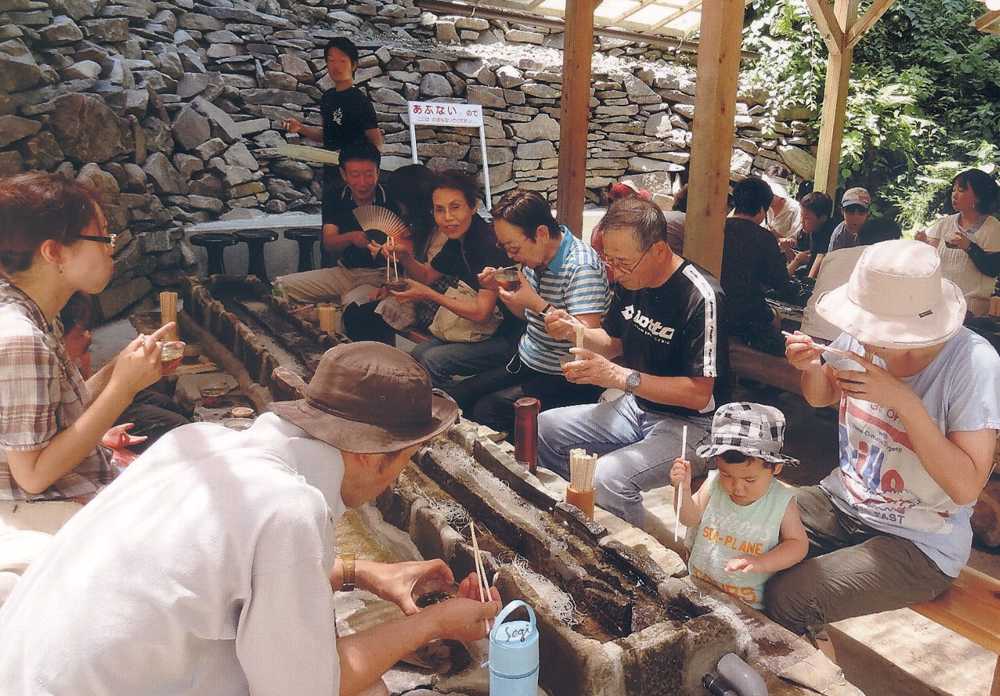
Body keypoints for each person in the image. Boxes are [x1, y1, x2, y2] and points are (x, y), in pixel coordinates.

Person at [0, 342, 501, 694]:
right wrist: (434, 623)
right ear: (374, 456)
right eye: (402, 462)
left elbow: (214, 579)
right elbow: (309, 688)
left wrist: (360, 572)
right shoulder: (289, 507)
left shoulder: (194, 442)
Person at [773, 240, 1000, 640]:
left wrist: (903, 402)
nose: (864, 339)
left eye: (876, 331)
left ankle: (813, 668)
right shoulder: (862, 335)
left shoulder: (972, 363)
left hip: (920, 541)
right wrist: (810, 367)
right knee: (739, 528)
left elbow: (965, 487)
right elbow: (820, 396)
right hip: (844, 501)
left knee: (790, 596)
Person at [0, 173, 174, 604]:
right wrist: (123, 388)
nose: (111, 247)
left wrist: (122, 368)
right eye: (102, 237)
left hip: (74, 491)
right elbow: (33, 475)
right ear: (54, 252)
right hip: (50, 513)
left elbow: (62, 417)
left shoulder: (37, 314)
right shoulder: (20, 336)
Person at [536, 198, 729, 545]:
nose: (615, 272)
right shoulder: (631, 281)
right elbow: (613, 342)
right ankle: (585, 519)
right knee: (545, 428)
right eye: (609, 260)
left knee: (607, 477)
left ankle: (637, 557)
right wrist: (573, 330)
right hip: (636, 406)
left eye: (622, 262)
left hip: (693, 424)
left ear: (659, 250)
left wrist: (620, 377)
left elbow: (699, 394)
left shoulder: (700, 296)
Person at [451, 190, 611, 434]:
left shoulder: (581, 267)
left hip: (564, 377)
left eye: (514, 248)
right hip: (529, 360)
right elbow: (524, 314)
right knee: (461, 395)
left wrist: (536, 303)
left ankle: (522, 456)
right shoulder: (536, 258)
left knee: (487, 411)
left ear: (542, 233)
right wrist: (500, 288)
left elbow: (588, 340)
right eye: (505, 247)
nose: (510, 255)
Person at [389, 172, 521, 388]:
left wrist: (428, 294)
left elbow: (481, 313)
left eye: (455, 207)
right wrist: (404, 255)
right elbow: (426, 276)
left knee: (432, 360)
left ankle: (451, 404)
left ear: (473, 206)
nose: (447, 217)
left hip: (507, 338)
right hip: (479, 330)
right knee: (418, 354)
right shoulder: (457, 237)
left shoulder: (487, 243)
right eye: (440, 210)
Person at [670, 402, 808, 610]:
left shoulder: (781, 500)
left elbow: (797, 544)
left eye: (750, 480)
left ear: (776, 468)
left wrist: (762, 562)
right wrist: (682, 489)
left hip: (746, 602)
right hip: (701, 584)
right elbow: (688, 518)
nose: (737, 487)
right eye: (727, 475)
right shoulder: (714, 483)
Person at [58, 292, 190, 453]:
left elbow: (84, 394)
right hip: (79, 425)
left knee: (166, 403)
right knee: (178, 426)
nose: (87, 335)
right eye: (80, 331)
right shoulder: (38, 350)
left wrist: (128, 363)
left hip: (85, 404)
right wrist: (101, 440)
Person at [274, 142, 400, 303]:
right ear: (343, 174)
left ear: (378, 172)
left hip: (381, 276)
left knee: (353, 304)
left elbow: (408, 246)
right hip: (344, 273)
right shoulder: (335, 197)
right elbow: (329, 242)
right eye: (355, 175)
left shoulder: (392, 198)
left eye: (369, 174)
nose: (362, 182)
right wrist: (351, 237)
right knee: (280, 286)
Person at [282, 37, 383, 197]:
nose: (336, 66)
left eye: (342, 61)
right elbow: (327, 135)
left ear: (353, 65)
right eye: (331, 61)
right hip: (331, 174)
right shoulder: (328, 98)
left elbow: (376, 143)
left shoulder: (359, 101)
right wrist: (300, 128)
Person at [720, 176, 793, 356]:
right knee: (777, 323)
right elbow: (781, 283)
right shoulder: (765, 238)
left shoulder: (717, 228)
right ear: (762, 209)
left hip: (715, 307)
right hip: (746, 316)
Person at [917, 169, 1000, 316]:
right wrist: (922, 245)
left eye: (961, 190)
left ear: (979, 197)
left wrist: (969, 247)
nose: (954, 195)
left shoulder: (993, 227)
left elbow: (993, 268)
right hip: (939, 303)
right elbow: (929, 261)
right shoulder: (944, 223)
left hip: (971, 311)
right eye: (954, 190)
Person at [787, 192, 836, 279]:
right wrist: (787, 250)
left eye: (807, 218)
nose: (802, 221)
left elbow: (819, 259)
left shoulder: (830, 235)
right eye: (801, 216)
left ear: (823, 218)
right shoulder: (805, 233)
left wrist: (797, 261)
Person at [825, 187, 871, 253]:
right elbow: (833, 258)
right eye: (850, 210)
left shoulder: (875, 233)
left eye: (861, 211)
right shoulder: (839, 235)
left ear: (868, 212)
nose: (855, 216)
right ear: (842, 211)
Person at [763, 165, 801, 242]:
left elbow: (794, 241)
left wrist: (777, 237)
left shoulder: (795, 209)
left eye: (773, 194)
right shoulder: (760, 205)